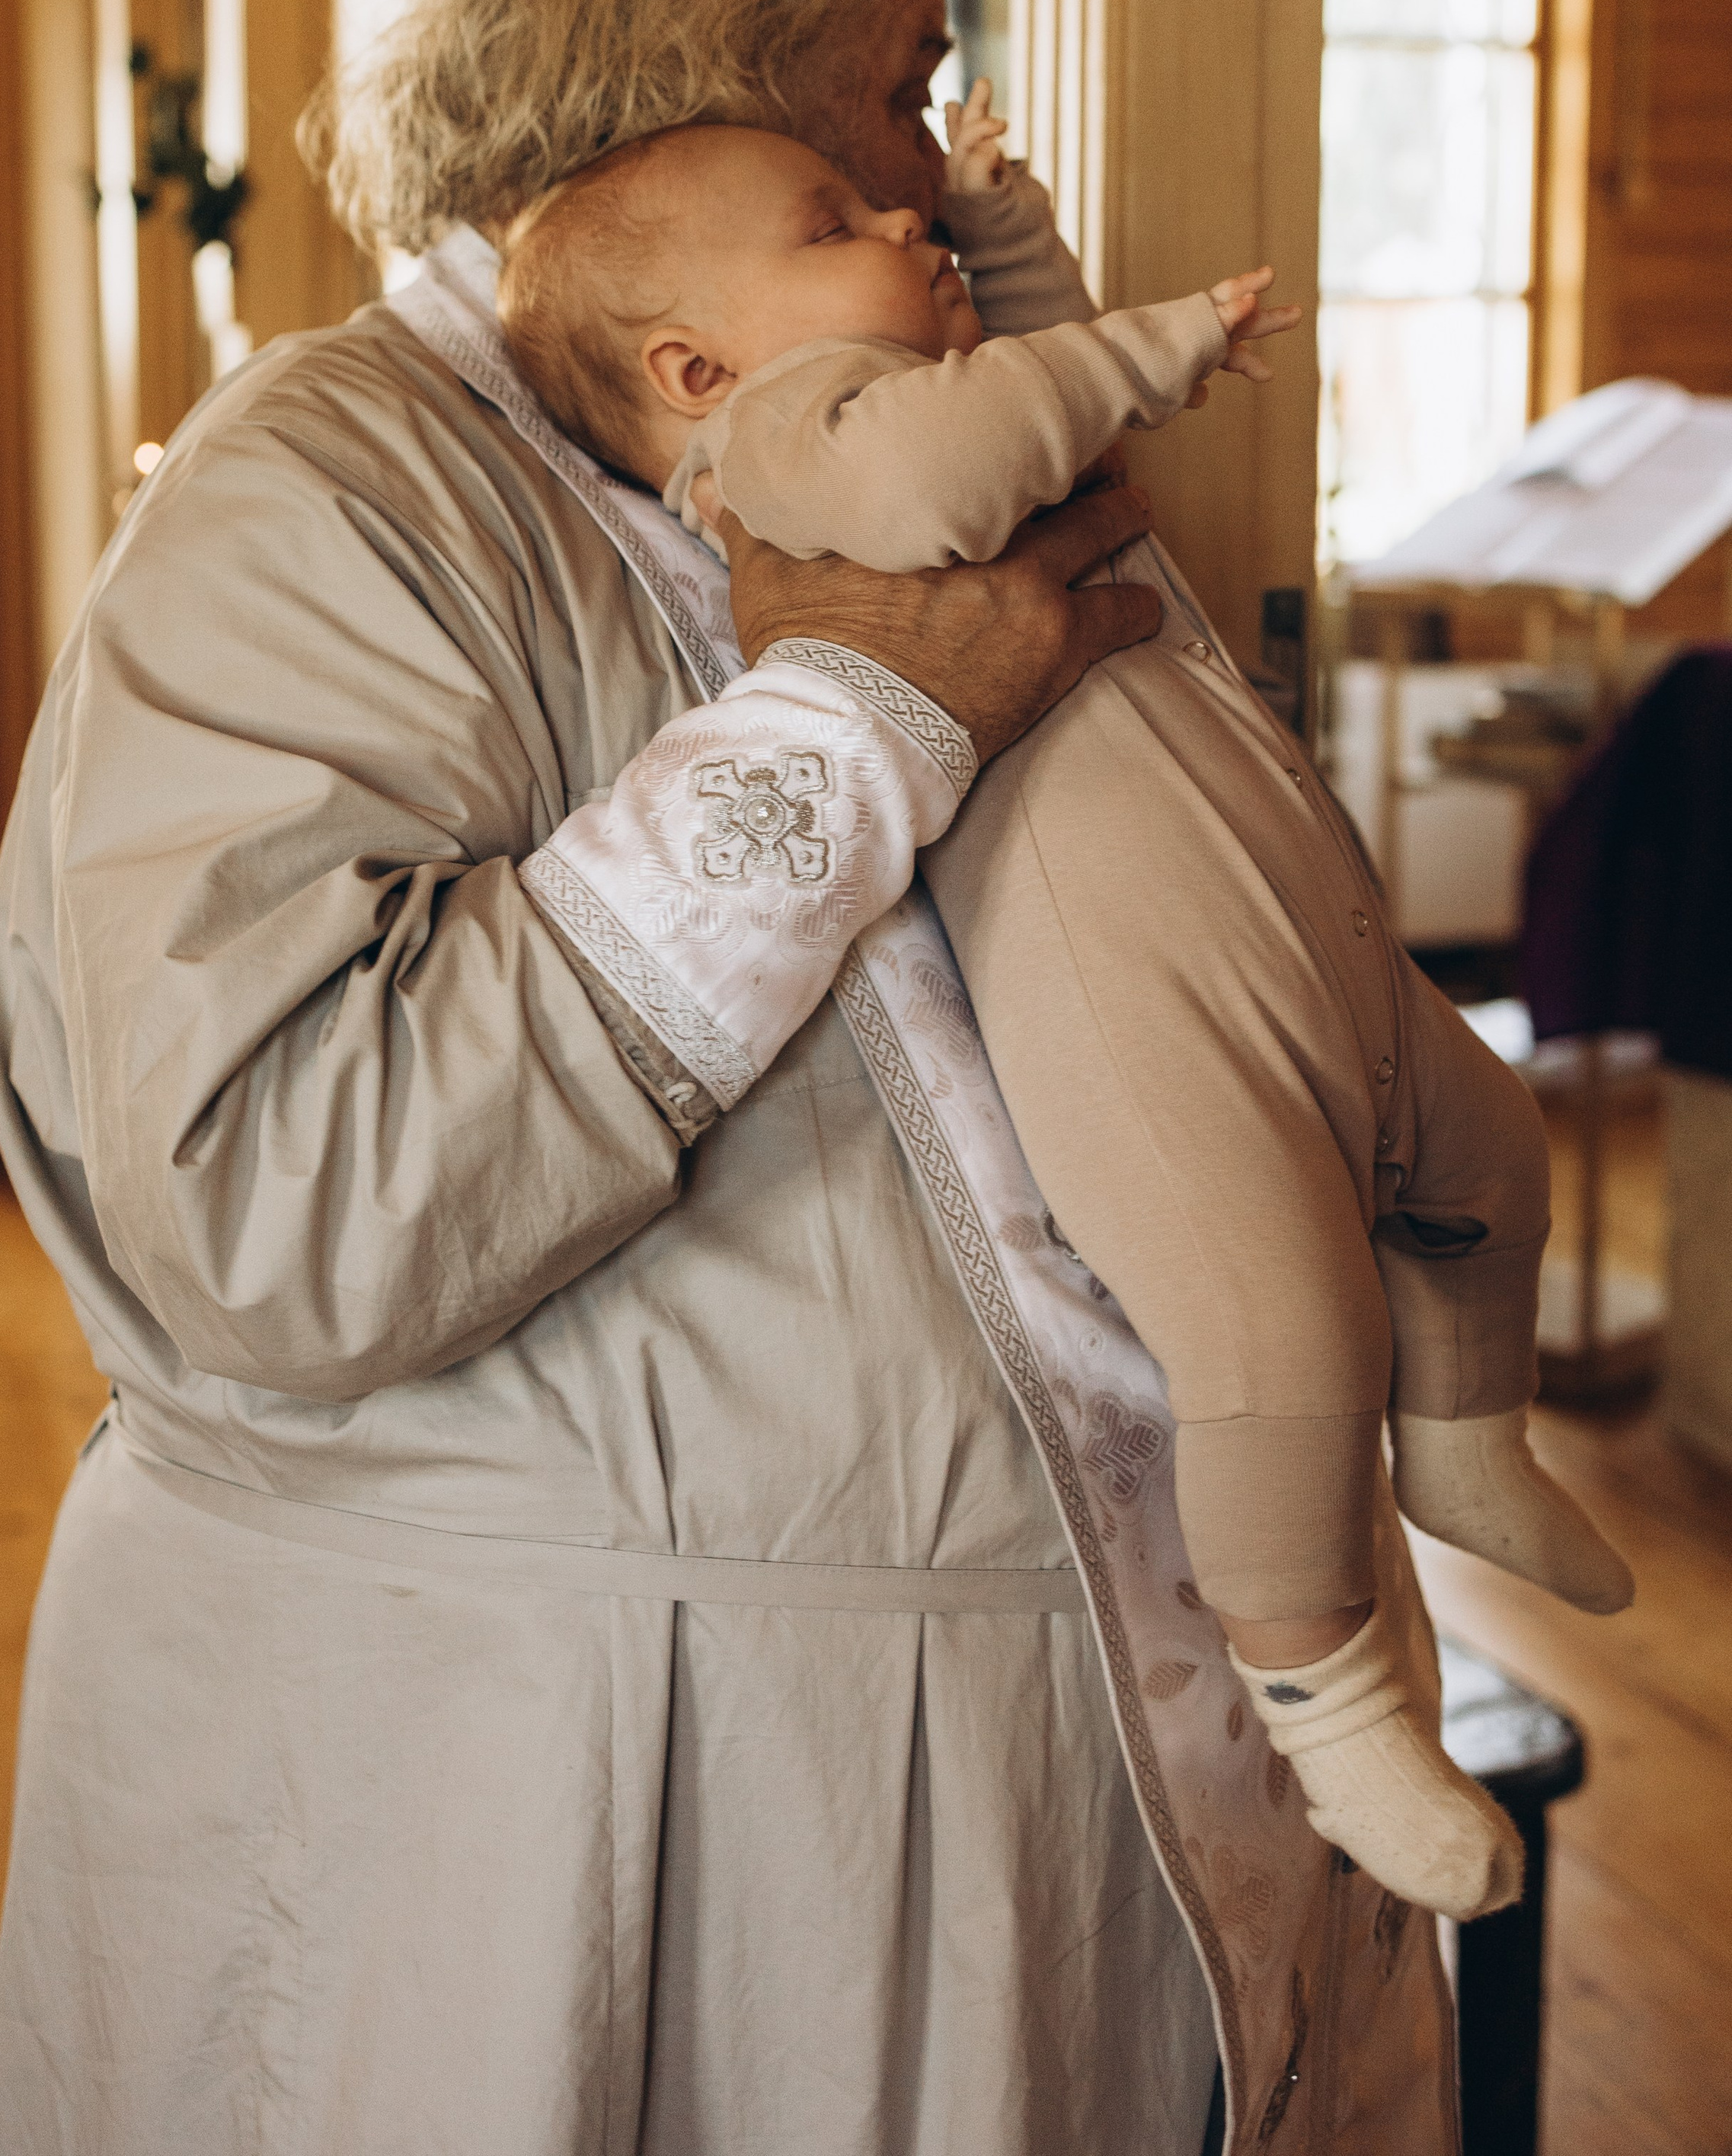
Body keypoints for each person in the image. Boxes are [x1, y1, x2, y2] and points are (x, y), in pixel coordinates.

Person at [0, 0, 1231, 2155]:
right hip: (534, 1827)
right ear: (717, 101)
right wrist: (859, 720)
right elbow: (281, 1205)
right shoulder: (325, 486)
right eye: (900, 93)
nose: (947, 165)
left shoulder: (864, 442)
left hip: (982, 1805)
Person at [494, 105, 1635, 1924]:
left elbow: (1010, 387)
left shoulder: (920, 390)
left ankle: (1471, 1442)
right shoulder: (783, 444)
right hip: (1134, 997)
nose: (891, 210)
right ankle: (1324, 1699)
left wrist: (1003, 240)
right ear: (696, 366)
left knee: (1486, 1149)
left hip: (1295, 914)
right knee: (1274, 1329)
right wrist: (1148, 344)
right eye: (830, 220)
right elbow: (950, 471)